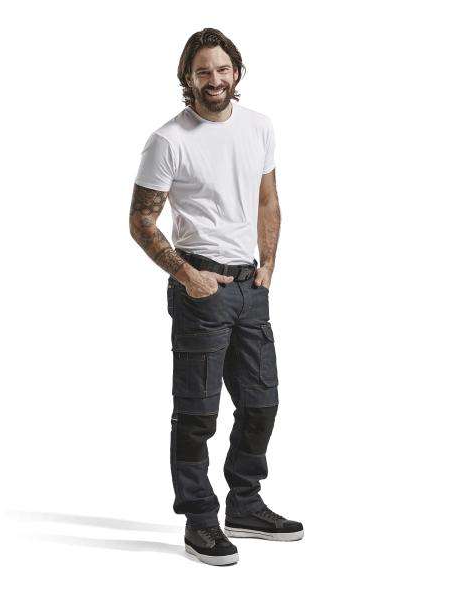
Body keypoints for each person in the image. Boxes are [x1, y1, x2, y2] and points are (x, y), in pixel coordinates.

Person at [129, 28, 303, 566]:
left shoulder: (259, 127)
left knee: (261, 403)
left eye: (223, 69)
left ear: (237, 72)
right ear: (188, 77)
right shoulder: (169, 140)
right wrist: (188, 276)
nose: (214, 79)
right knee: (198, 413)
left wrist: (268, 265)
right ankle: (200, 520)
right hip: (201, 289)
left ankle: (244, 504)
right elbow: (141, 221)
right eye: (203, 71)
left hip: (251, 286)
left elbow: (268, 199)